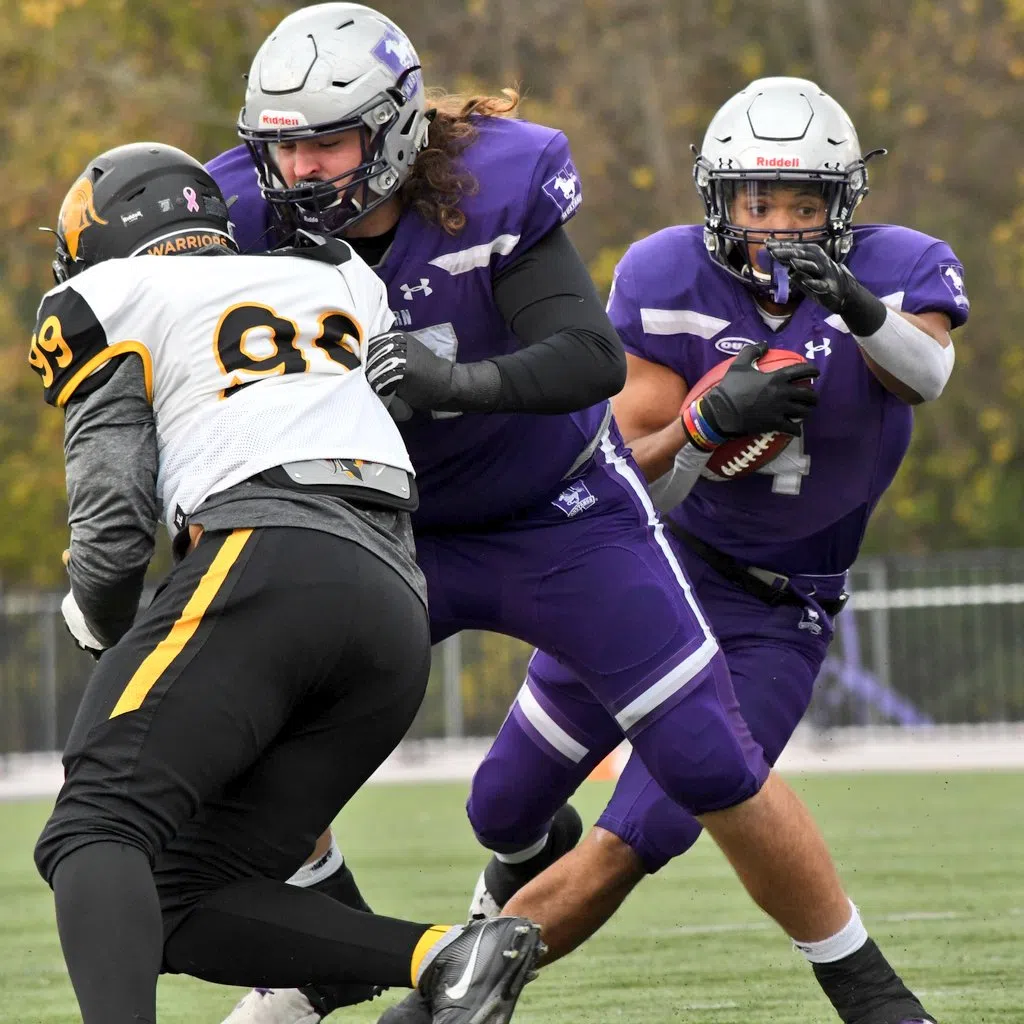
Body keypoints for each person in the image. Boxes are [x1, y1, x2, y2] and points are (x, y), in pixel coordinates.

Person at [209, 7, 939, 1023]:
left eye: (328, 142)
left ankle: (872, 996)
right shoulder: (232, 215)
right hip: (389, 519)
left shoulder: (497, 183)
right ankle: (325, 934)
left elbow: (587, 363)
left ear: (398, 129)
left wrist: (455, 383)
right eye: (284, 146)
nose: (302, 170)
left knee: (698, 773)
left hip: (561, 515)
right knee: (256, 718)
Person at [450, 75, 966, 1024]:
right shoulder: (664, 274)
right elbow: (621, 475)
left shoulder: (900, 267)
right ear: (717, 199)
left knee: (633, 839)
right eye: (756, 202)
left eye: (804, 204)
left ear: (845, 201)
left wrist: (855, 306)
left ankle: (438, 999)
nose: (777, 225)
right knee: (501, 806)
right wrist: (702, 427)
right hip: (649, 578)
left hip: (778, 609)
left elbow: (927, 375)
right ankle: (499, 899)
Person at [29, 140, 546, 1024]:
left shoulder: (111, 294)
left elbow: (113, 527)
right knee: (181, 896)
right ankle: (445, 958)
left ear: (100, 240)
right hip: (392, 605)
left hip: (268, 552)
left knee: (94, 826)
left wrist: (98, 618)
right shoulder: (337, 277)